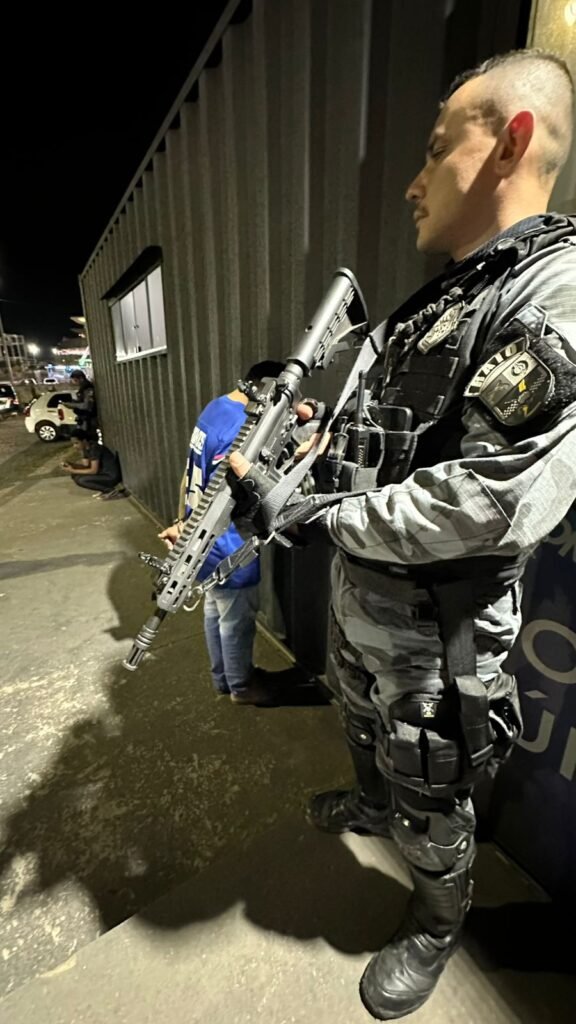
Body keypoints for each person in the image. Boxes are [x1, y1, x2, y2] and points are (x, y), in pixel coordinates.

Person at [229, 50, 576, 1019]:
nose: (415, 180)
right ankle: (371, 803)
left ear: (509, 141)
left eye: (435, 149)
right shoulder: (447, 296)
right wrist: (312, 440)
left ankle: (434, 917)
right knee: (358, 719)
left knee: (431, 780)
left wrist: (311, 513)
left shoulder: (556, 293)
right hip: (366, 591)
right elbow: (380, 430)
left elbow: (497, 499)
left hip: (439, 620)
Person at [160, 362, 285, 706]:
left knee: (214, 610)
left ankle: (223, 680)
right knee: (236, 620)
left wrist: (181, 519)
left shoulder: (216, 407)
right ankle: (242, 687)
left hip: (198, 534)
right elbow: (248, 490)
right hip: (227, 540)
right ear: (267, 389)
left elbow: (190, 472)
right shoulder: (239, 426)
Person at [61, 428, 123, 495]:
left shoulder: (94, 448)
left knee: (82, 480)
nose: (75, 446)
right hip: (102, 474)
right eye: (73, 444)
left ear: (84, 441)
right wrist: (72, 464)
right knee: (75, 476)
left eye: (76, 443)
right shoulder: (85, 448)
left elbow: (93, 470)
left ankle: (110, 490)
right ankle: (104, 489)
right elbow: (86, 466)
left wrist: (73, 470)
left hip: (110, 476)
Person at [62, 370, 98, 437]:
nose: (74, 383)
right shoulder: (83, 388)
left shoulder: (87, 388)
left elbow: (86, 405)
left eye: (75, 380)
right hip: (85, 418)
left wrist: (72, 405)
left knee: (88, 438)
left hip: (89, 419)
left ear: (81, 378)